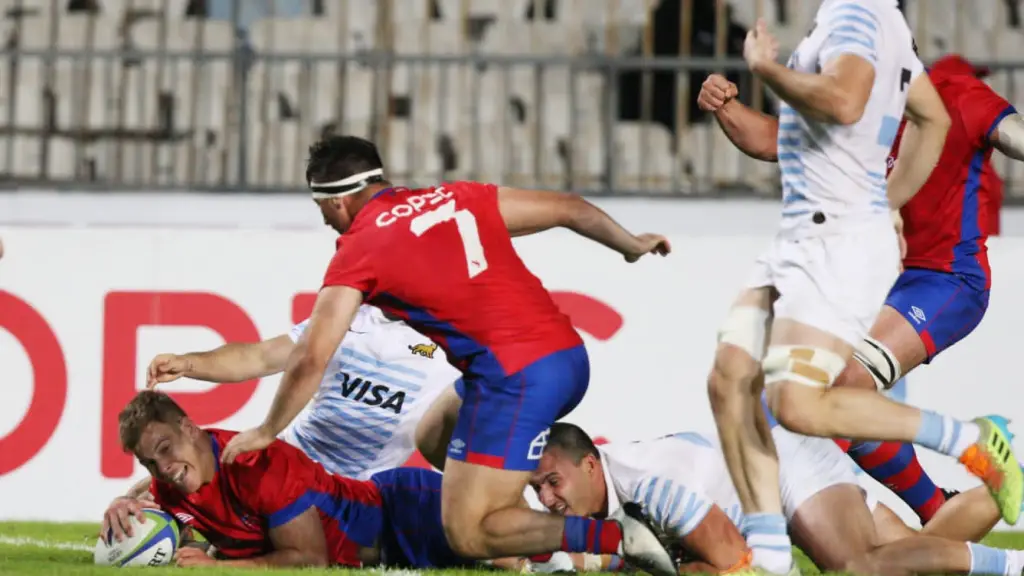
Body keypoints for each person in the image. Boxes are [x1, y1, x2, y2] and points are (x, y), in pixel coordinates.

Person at [216, 135, 677, 574]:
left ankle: (617, 539)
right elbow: (570, 209)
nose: (325, 222)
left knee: (468, 535)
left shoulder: (359, 248)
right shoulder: (456, 197)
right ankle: (536, 544)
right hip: (565, 356)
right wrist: (630, 245)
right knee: (435, 433)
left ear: (337, 200)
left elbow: (310, 357)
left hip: (515, 376)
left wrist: (265, 430)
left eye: (322, 210)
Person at [698, 5, 1023, 574]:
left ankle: (970, 448)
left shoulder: (951, 90)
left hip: (946, 279)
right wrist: (726, 106)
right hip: (871, 273)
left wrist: (769, 70)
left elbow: (1006, 133)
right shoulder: (864, 107)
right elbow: (768, 139)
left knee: (834, 386)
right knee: (774, 391)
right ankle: (934, 511)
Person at [532, 422, 1020, 575]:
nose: (547, 496)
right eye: (538, 487)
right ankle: (1007, 480)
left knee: (857, 566)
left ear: (590, 464)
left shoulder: (648, 483)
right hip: (775, 468)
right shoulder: (615, 491)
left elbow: (737, 565)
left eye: (553, 481)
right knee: (911, 555)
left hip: (788, 467)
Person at [102, 390, 474, 569]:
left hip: (408, 512)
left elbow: (310, 558)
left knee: (510, 553)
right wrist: (125, 507)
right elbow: (173, 528)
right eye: (148, 462)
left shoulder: (258, 465)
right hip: (387, 545)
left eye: (165, 448)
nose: (162, 467)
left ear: (189, 427)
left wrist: (219, 567)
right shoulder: (171, 482)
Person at [145, 304, 460, 479]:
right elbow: (258, 356)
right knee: (159, 487)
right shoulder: (348, 318)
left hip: (357, 492)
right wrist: (188, 363)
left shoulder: (456, 346)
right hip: (287, 461)